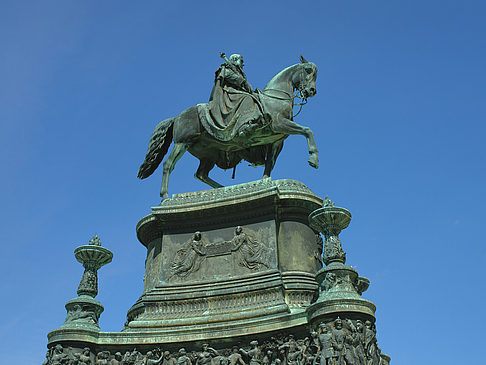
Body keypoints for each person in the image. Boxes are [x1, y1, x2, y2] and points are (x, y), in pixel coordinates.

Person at [207, 54, 263, 140]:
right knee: (247, 98)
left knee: (256, 97)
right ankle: (243, 124)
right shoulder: (226, 68)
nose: (243, 64)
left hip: (238, 91)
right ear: (235, 60)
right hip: (229, 93)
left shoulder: (238, 71)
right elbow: (227, 75)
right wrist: (242, 81)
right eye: (241, 61)